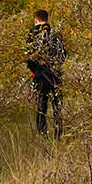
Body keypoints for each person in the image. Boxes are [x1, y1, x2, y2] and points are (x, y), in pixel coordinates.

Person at [24, 9, 67, 139]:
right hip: (55, 75)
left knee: (41, 107)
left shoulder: (31, 35)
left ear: (35, 20)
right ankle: (58, 135)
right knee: (57, 106)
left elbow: (29, 58)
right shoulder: (55, 33)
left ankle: (43, 136)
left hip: (39, 76)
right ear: (48, 20)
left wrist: (35, 71)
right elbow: (63, 55)